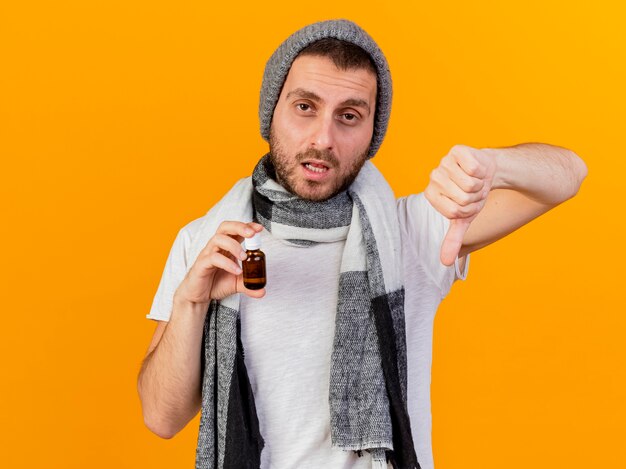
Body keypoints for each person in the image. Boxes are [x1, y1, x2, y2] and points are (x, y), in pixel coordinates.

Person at [137, 19, 587, 469]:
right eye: (305, 107)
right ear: (270, 112)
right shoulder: (208, 242)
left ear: (373, 134)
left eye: (349, 116)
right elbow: (161, 416)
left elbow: (569, 176)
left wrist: (496, 165)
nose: (323, 139)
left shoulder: (408, 233)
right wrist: (191, 302)